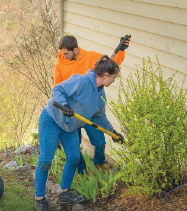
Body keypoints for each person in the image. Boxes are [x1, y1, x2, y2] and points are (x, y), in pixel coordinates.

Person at [34, 55, 124, 211]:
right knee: (46, 160)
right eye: (114, 78)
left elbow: (100, 117)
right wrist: (64, 105)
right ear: (106, 75)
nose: (113, 81)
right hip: (52, 120)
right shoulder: (81, 81)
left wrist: (113, 133)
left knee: (74, 157)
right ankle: (39, 199)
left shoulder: (100, 95)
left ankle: (64, 192)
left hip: (69, 127)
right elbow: (57, 89)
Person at [54, 35, 130, 174]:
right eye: (62, 54)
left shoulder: (91, 57)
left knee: (100, 141)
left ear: (75, 49)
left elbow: (111, 66)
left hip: (91, 109)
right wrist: (64, 108)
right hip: (73, 111)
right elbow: (58, 87)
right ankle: (81, 171)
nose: (63, 56)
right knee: (74, 146)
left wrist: (122, 49)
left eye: (66, 53)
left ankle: (99, 163)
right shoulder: (60, 64)